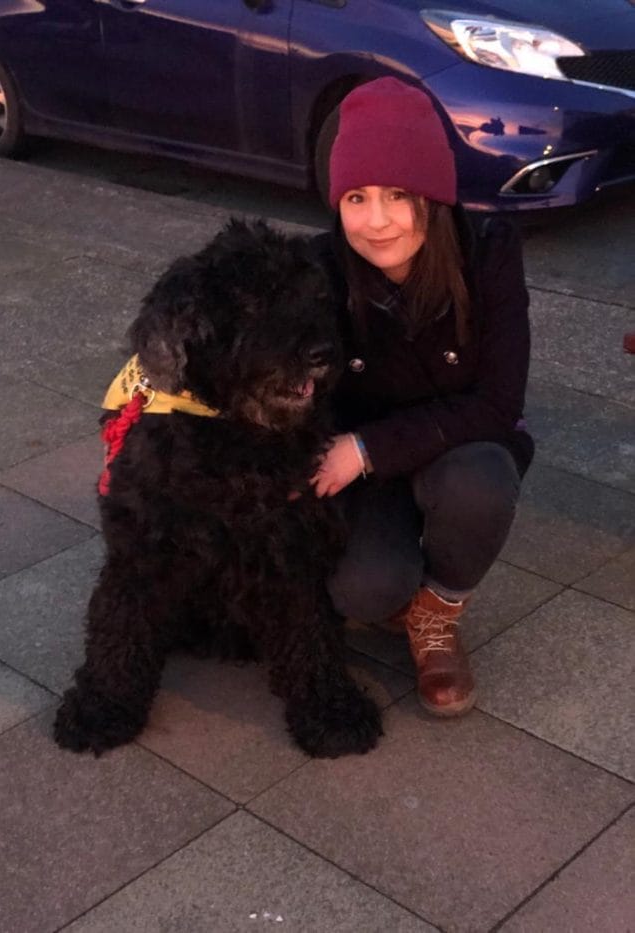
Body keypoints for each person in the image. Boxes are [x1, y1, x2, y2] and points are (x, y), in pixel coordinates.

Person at [310, 76, 534, 717]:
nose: (375, 221)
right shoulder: (318, 268)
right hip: (367, 477)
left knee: (482, 482)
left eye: (397, 196)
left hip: (456, 449)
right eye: (356, 197)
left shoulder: (487, 251)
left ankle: (436, 616)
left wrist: (365, 446)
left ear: (432, 197)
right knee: (363, 592)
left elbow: (499, 401)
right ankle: (397, 586)